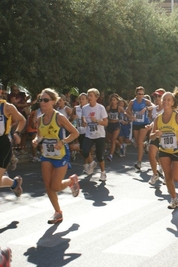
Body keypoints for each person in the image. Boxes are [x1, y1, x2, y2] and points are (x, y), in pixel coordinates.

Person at [31, 88, 80, 224]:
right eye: (41, 100)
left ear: (53, 101)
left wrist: (63, 142)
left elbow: (75, 133)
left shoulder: (59, 117)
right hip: (46, 154)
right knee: (47, 185)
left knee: (55, 187)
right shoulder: (40, 119)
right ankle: (58, 212)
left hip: (61, 155)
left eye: (46, 100)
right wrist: (36, 140)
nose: (42, 102)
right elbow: (40, 134)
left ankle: (72, 181)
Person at [150, 87, 178, 208]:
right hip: (164, 150)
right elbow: (151, 135)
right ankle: (174, 199)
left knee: (176, 177)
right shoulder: (158, 119)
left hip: (177, 150)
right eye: (163, 99)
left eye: (168, 100)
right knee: (168, 176)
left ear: (172, 103)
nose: (165, 102)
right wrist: (155, 134)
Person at [0, 85, 25, 197]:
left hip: (3, 144)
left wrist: (16, 133)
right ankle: (14, 183)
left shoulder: (6, 106)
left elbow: (22, 120)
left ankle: (14, 183)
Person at [81, 88, 108, 181]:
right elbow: (83, 119)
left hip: (99, 134)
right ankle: (92, 163)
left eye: (91, 96)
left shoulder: (101, 108)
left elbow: (106, 123)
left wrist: (96, 120)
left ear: (96, 97)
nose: (89, 97)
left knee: (99, 155)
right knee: (84, 151)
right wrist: (84, 123)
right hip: (89, 134)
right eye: (88, 96)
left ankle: (103, 173)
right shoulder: (84, 108)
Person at [126, 86, 154, 170]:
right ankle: (145, 145)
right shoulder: (132, 102)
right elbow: (127, 110)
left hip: (144, 123)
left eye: (142, 94)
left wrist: (146, 108)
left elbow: (153, 106)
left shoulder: (145, 101)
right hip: (136, 123)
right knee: (139, 143)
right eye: (139, 94)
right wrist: (131, 116)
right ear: (136, 94)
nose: (141, 95)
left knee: (139, 141)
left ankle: (139, 162)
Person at [148, 88, 165, 184]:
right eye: (155, 96)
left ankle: (166, 174)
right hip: (156, 134)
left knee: (164, 156)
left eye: (159, 96)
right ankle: (155, 174)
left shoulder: (168, 109)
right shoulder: (154, 109)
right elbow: (154, 122)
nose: (156, 98)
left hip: (166, 136)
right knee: (151, 152)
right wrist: (149, 126)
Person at [105, 93, 124, 162]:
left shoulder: (119, 108)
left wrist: (130, 117)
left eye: (114, 100)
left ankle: (110, 155)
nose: (113, 101)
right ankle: (121, 146)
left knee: (113, 140)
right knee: (110, 140)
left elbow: (125, 113)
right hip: (109, 124)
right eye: (112, 100)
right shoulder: (108, 108)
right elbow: (104, 115)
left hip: (116, 125)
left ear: (117, 101)